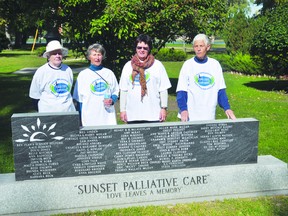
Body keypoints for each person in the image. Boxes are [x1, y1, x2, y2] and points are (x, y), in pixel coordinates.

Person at [176, 33, 236, 121]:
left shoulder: (215, 65)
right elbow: (181, 91)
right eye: (196, 46)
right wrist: (183, 109)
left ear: (208, 47)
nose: (198, 49)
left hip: (209, 116)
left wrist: (227, 108)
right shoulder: (188, 65)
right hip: (190, 117)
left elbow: (221, 90)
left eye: (201, 46)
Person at [119, 34, 171, 124]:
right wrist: (122, 110)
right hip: (133, 115)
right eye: (139, 47)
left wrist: (163, 108)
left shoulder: (158, 65)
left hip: (153, 115)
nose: (142, 50)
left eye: (145, 48)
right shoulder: (127, 66)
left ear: (149, 49)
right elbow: (123, 90)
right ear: (135, 48)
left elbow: (163, 89)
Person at [73, 43, 119, 126]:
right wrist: (79, 117)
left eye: (99, 55)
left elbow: (116, 91)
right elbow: (79, 99)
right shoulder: (83, 75)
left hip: (107, 116)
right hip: (89, 117)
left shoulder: (109, 73)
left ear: (102, 56)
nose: (97, 58)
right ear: (89, 57)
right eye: (94, 55)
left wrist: (112, 100)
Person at [29, 40, 76, 113]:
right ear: (48, 56)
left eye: (59, 53)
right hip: (48, 113)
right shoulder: (41, 71)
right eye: (54, 53)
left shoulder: (68, 70)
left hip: (68, 112)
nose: (57, 56)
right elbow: (35, 95)